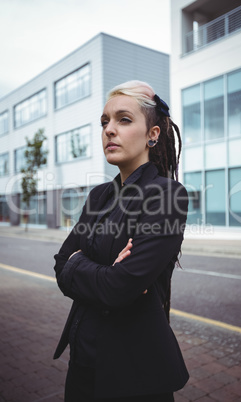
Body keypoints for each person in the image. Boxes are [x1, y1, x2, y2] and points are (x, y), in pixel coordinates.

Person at [53, 80, 189, 402]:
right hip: (84, 359)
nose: (109, 130)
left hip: (136, 373)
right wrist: (95, 269)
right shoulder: (99, 195)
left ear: (152, 134)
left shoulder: (167, 195)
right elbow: (61, 264)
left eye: (123, 120)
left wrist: (81, 263)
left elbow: (122, 285)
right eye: (105, 122)